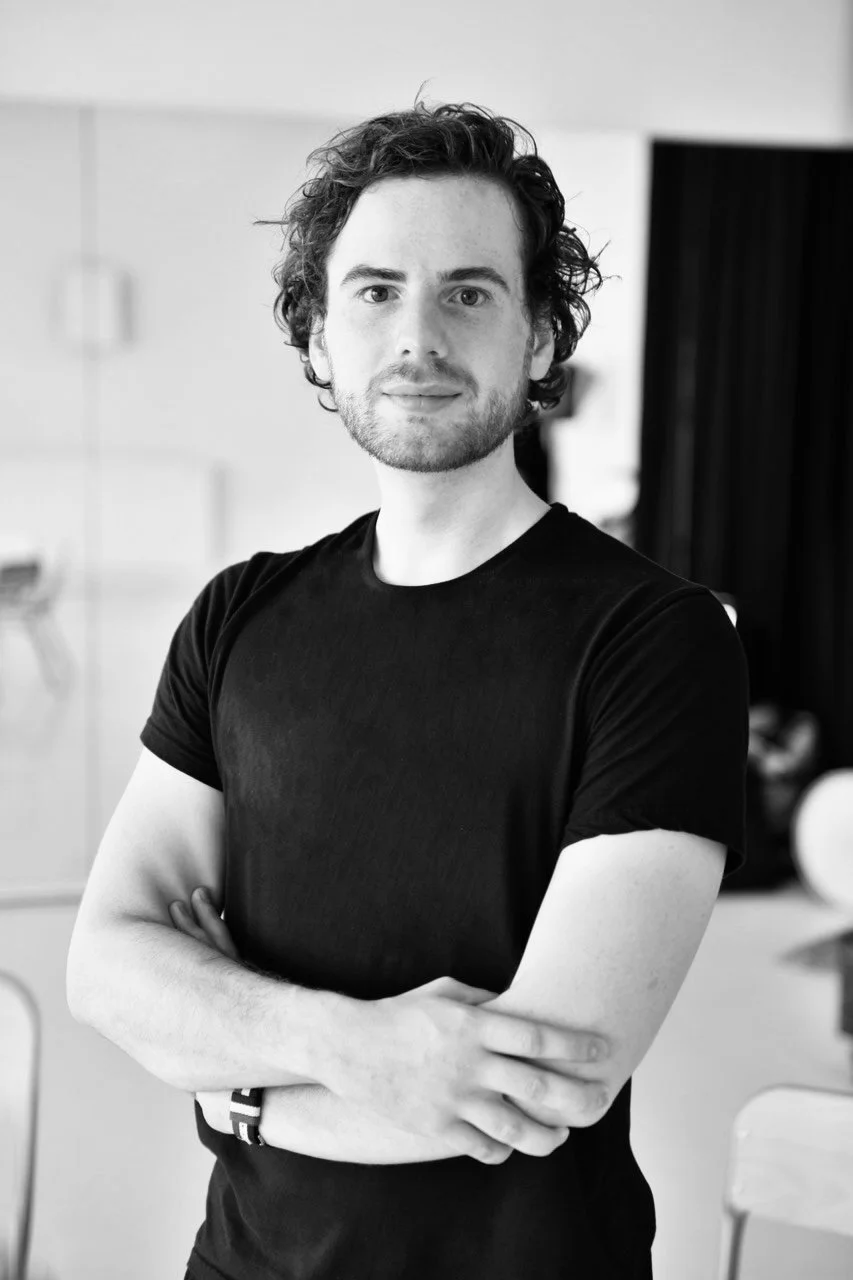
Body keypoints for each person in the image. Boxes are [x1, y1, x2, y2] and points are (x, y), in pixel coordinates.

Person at [66, 92, 749, 1280]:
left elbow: (541, 1085)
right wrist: (359, 1043)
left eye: (468, 291)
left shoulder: (657, 637)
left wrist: (228, 1074)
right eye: (375, 291)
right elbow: (105, 965)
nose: (417, 334)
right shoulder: (240, 616)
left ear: (538, 339)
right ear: (321, 339)